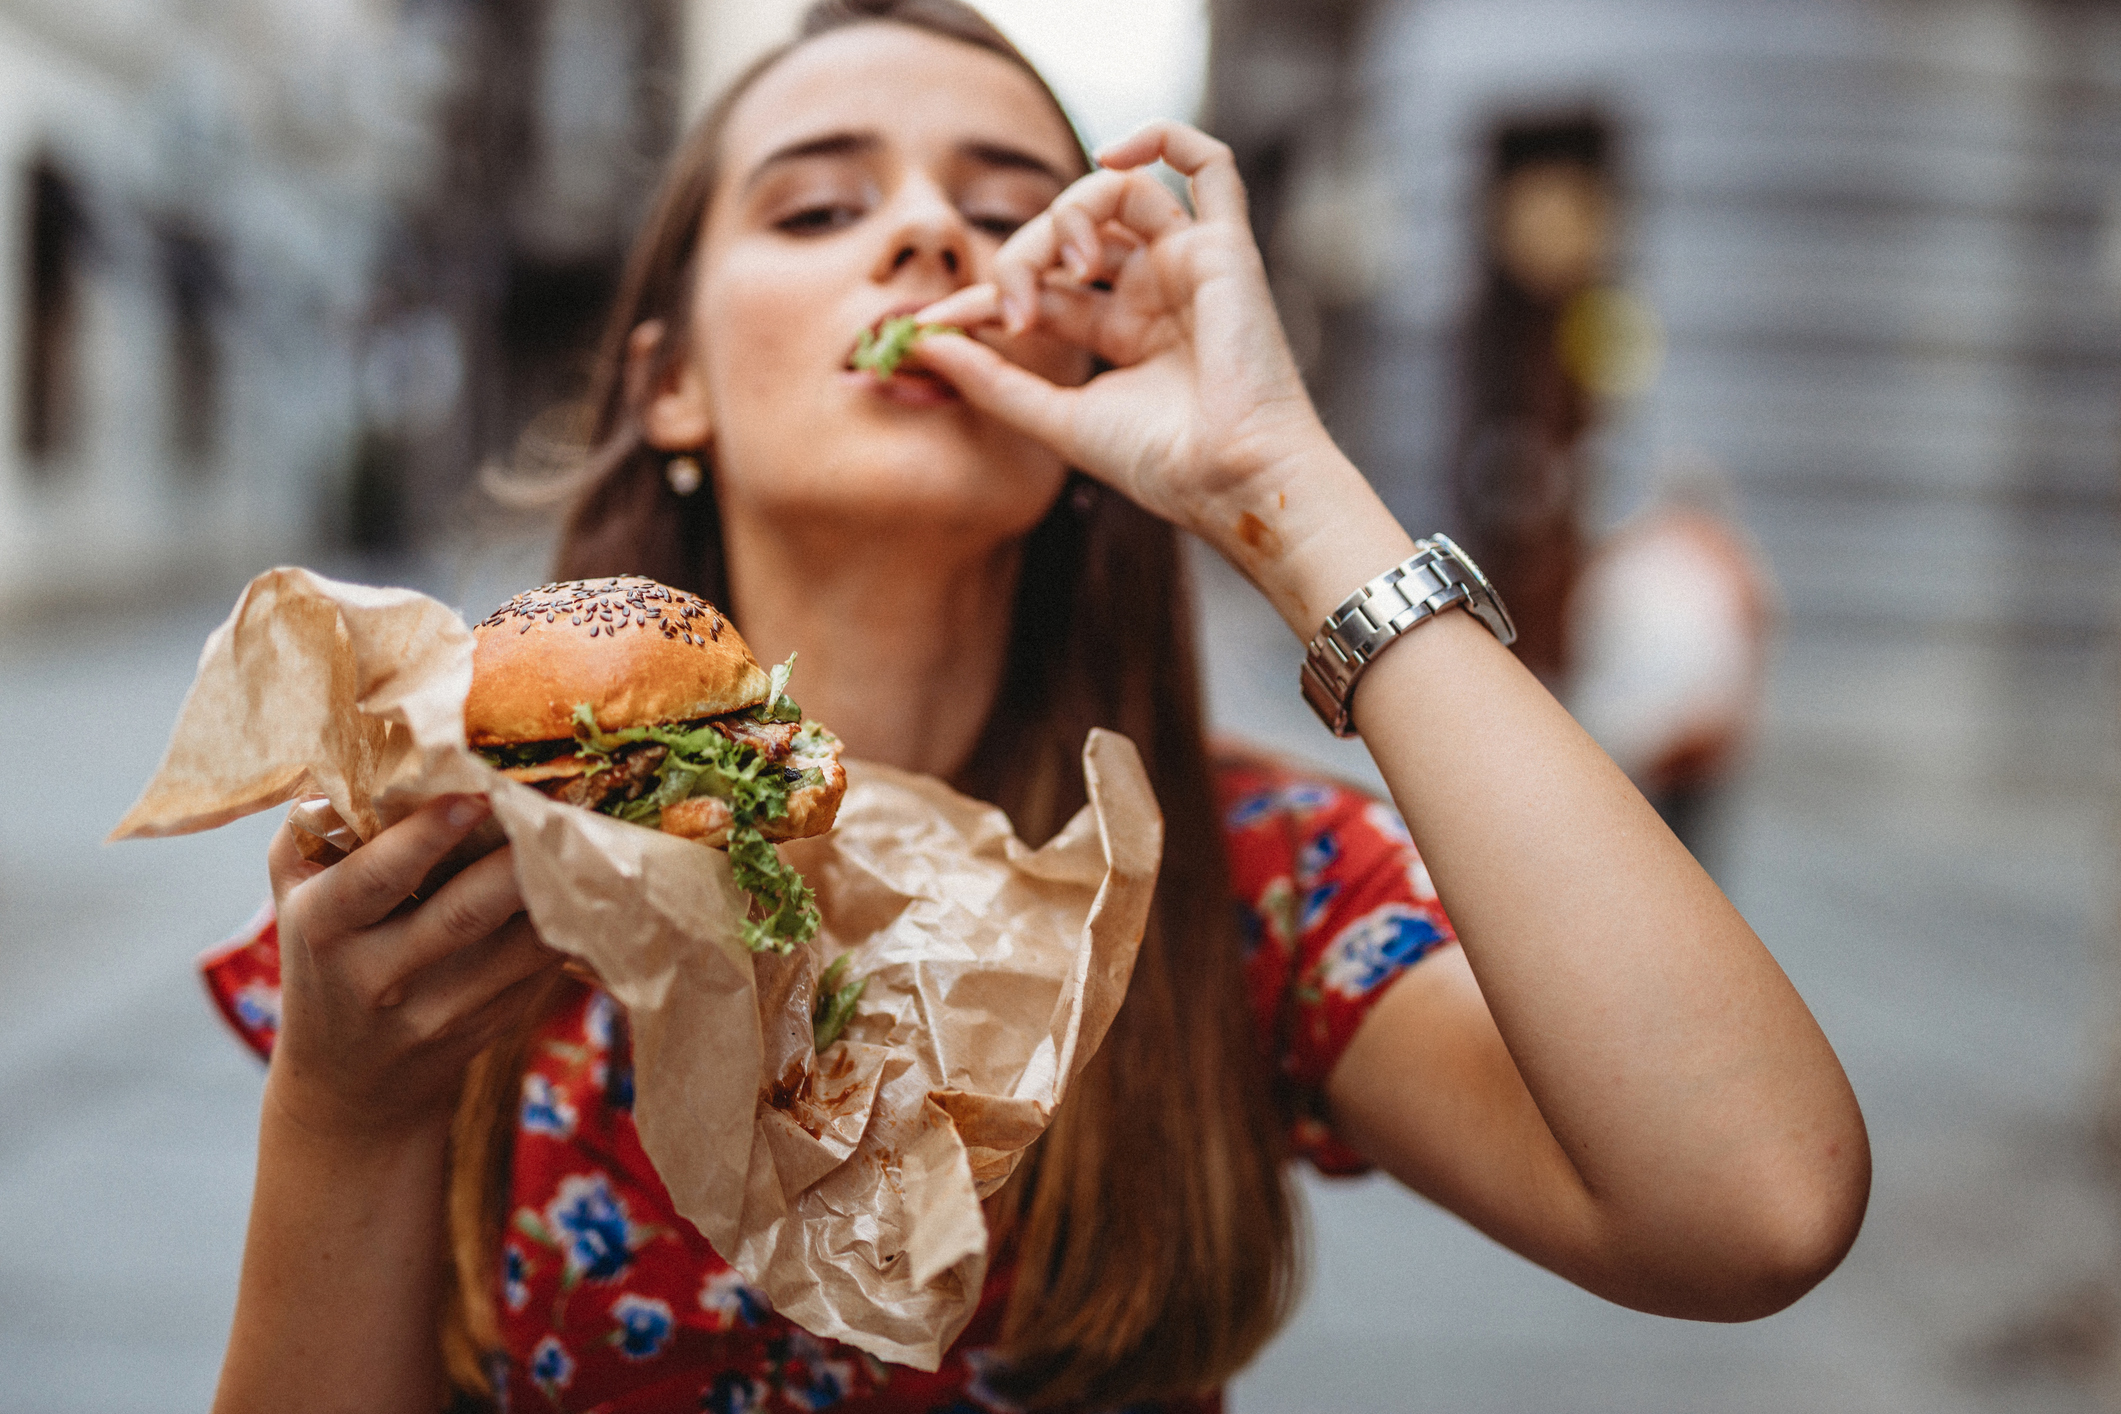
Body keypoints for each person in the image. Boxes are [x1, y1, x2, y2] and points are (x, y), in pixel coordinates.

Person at [203, 3, 1870, 1410]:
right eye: (815, 211)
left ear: (1081, 373)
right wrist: (351, 1103)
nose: (931, 238)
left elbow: (1752, 1206)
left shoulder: (1242, 884)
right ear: (672, 383)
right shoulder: (481, 838)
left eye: (1005, 212)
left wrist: (1279, 489)